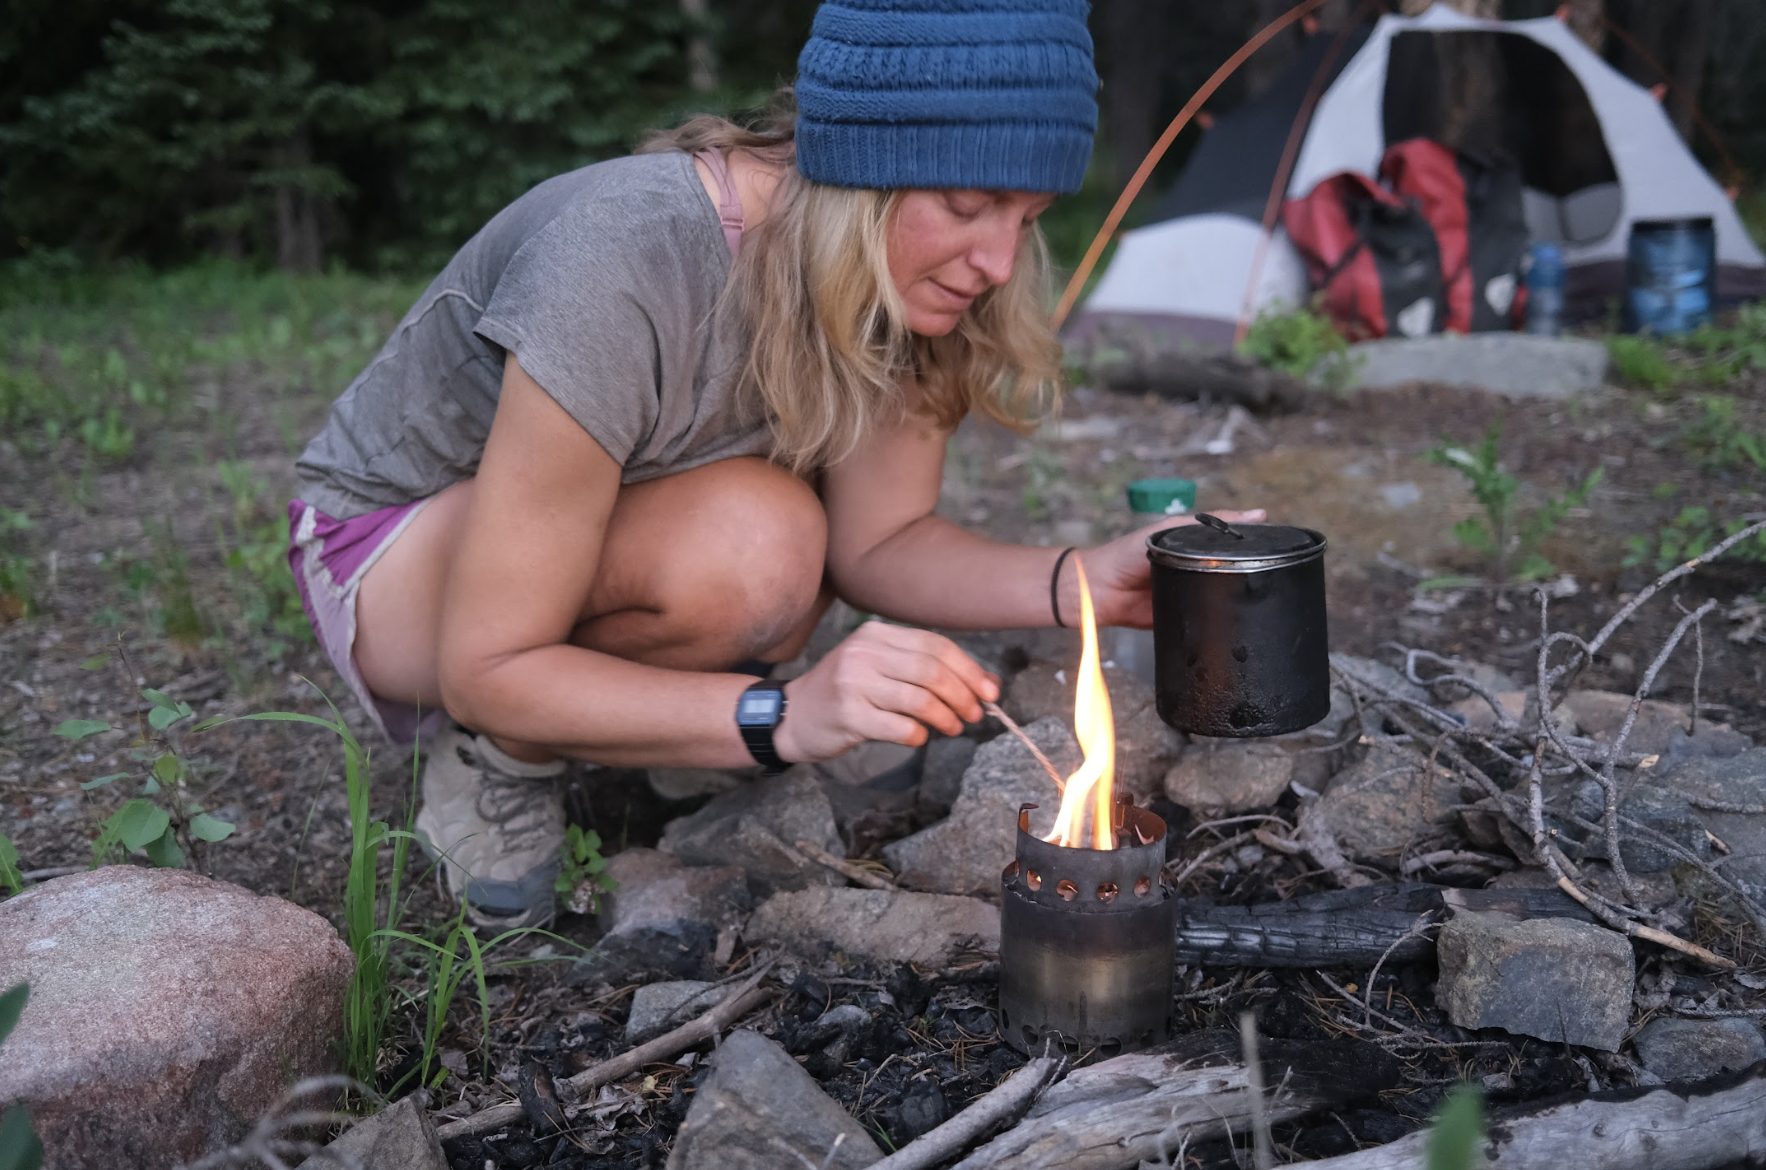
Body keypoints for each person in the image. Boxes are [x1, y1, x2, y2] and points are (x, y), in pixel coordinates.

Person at [288, 0, 1263, 929]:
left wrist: (1084, 579)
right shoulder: (625, 254)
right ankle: (504, 759)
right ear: (858, 169)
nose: (999, 262)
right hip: (397, 558)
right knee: (759, 540)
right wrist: (783, 716)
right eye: (971, 203)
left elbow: (878, 544)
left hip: (634, 530)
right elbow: (486, 661)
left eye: (1027, 216)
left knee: (783, 548)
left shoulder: (893, 280)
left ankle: (667, 722)